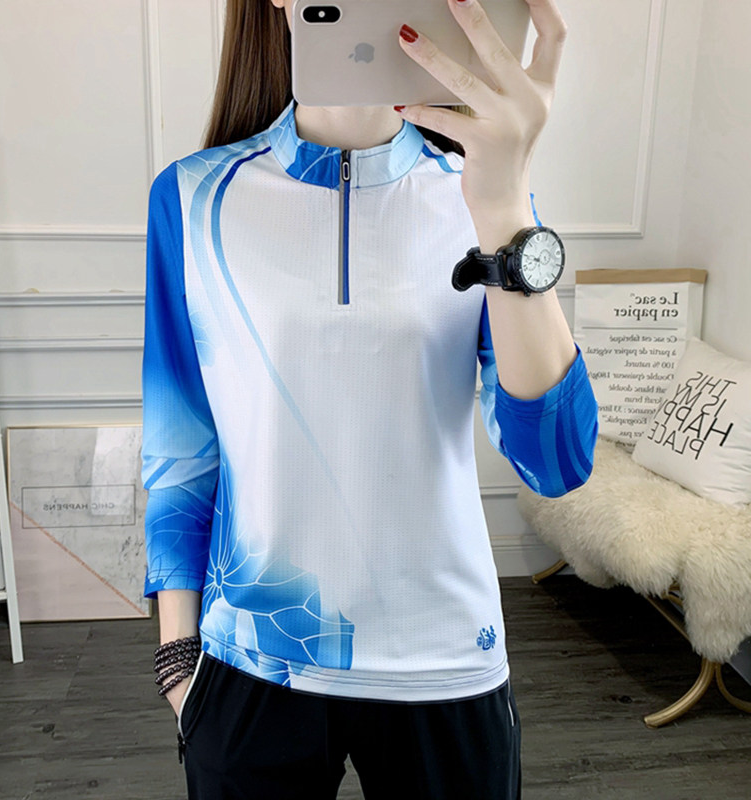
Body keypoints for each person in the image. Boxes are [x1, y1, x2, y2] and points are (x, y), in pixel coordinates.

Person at [142, 0, 597, 797]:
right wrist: (180, 664)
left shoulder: (478, 195)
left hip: (446, 657)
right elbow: (183, 444)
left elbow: (557, 462)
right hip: (254, 658)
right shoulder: (191, 195)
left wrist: (503, 202)